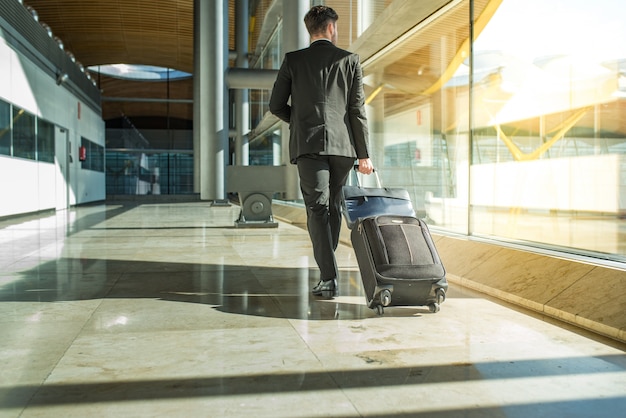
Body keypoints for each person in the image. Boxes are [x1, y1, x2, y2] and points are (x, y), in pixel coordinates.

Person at [269, 5, 373, 298]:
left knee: (317, 209)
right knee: (333, 206)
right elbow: (357, 111)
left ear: (311, 29)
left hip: (309, 146)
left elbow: (276, 105)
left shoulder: (293, 61)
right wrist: (364, 154)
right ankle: (329, 267)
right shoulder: (350, 60)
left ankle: (328, 277)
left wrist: (300, 123)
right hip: (343, 148)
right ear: (331, 28)